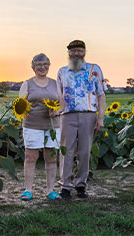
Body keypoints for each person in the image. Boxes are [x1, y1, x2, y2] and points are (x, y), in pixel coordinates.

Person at [57, 40, 107, 199]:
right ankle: (65, 185)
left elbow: (101, 95)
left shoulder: (94, 69)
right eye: (73, 51)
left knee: (85, 151)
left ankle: (80, 184)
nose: (76, 54)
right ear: (69, 53)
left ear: (84, 52)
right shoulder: (62, 72)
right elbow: (58, 96)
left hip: (89, 114)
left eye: (79, 51)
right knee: (66, 150)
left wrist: (100, 118)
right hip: (67, 115)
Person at [19, 53, 61, 201]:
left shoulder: (55, 83)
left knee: (51, 156)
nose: (42, 67)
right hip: (32, 125)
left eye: (45, 64)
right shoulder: (27, 84)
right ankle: (28, 190)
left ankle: (50, 190)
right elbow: (21, 104)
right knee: (31, 157)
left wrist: (57, 111)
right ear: (33, 67)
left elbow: (62, 103)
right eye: (39, 65)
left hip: (52, 125)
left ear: (49, 65)